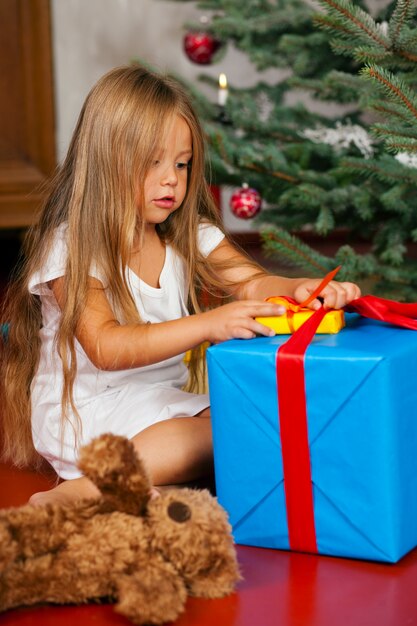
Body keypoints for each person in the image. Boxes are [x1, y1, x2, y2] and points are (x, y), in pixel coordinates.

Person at [0, 65, 361, 507]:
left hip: (158, 403)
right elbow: (107, 347)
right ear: (107, 160)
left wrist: (300, 287)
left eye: (182, 163)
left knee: (255, 423)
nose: (171, 178)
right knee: (226, 437)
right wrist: (210, 324)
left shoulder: (188, 234)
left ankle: (135, 494)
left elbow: (253, 283)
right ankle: (75, 493)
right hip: (86, 413)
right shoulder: (73, 245)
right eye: (153, 162)